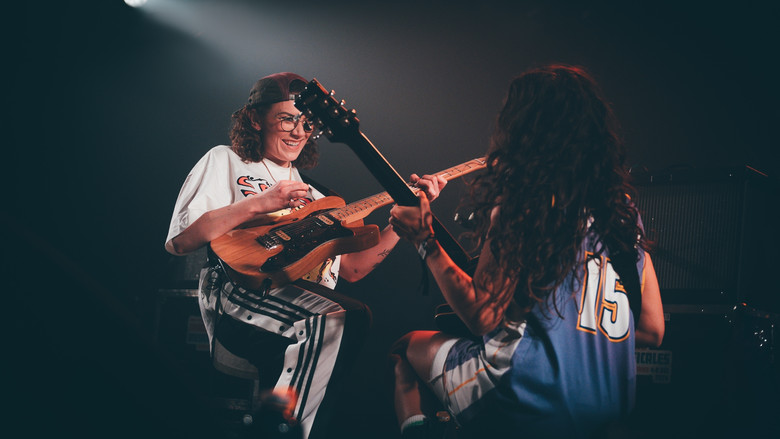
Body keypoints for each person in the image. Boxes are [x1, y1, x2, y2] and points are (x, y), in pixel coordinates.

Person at [164, 72, 447, 439]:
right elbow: (180, 241)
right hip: (243, 293)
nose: (299, 131)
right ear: (254, 118)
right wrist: (259, 204)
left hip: (307, 306)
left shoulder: (319, 196)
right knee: (340, 317)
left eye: (307, 122)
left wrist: (406, 218)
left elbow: (355, 269)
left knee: (342, 318)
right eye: (287, 118)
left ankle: (280, 423)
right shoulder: (227, 161)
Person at [388, 65, 665, 438]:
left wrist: (425, 241)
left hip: (530, 397)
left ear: (521, 130)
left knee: (406, 347)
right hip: (608, 407)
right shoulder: (622, 213)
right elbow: (651, 329)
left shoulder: (525, 205)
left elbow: (483, 315)